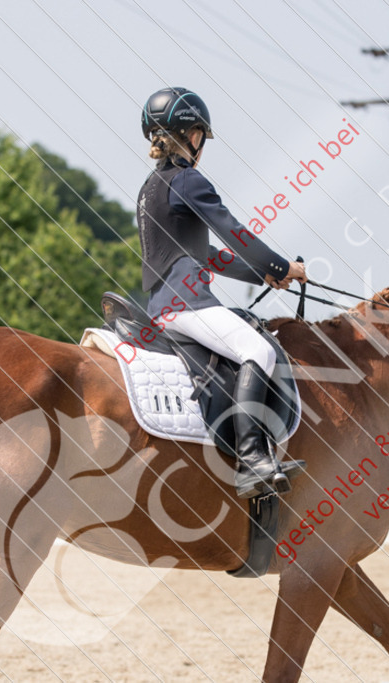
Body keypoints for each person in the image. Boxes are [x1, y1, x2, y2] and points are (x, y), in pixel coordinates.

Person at [137, 87, 308, 499]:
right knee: (260, 351)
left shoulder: (152, 187)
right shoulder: (188, 180)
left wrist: (260, 274)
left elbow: (204, 253)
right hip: (185, 304)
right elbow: (234, 232)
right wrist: (282, 267)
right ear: (193, 135)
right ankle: (252, 460)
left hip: (163, 303)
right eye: (200, 136)